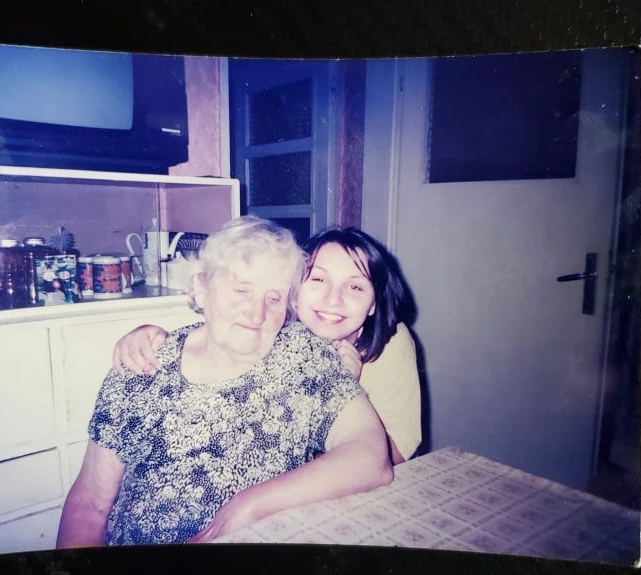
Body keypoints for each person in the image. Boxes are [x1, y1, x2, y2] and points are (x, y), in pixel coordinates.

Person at [57, 216, 393, 548]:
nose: (257, 314)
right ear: (202, 289)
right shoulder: (142, 364)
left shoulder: (305, 357)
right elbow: (90, 504)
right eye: (241, 290)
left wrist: (250, 506)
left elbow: (371, 456)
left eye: (274, 298)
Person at [113, 226, 422, 464]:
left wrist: (342, 390)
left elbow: (392, 455)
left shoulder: (391, 342)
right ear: (294, 290)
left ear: (374, 303)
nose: (333, 299)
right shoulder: (276, 331)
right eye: (318, 280)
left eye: (355, 286)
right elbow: (217, 337)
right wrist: (151, 335)